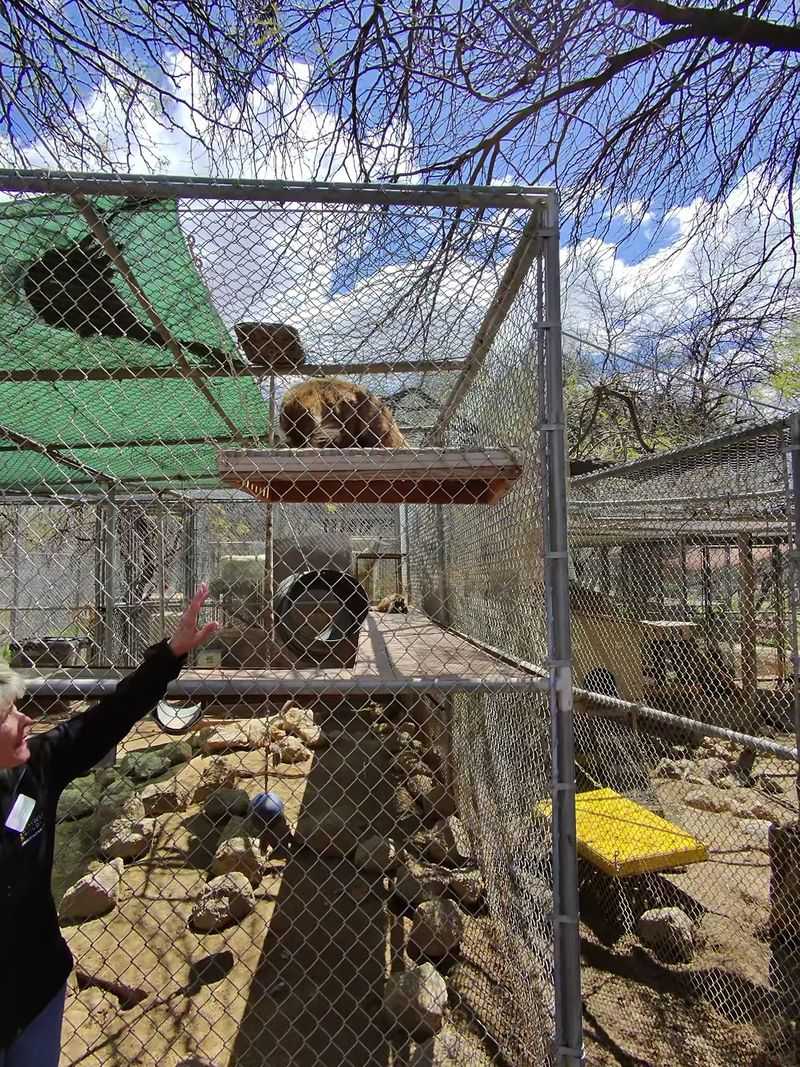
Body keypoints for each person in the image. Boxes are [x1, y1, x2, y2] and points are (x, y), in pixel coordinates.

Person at [0, 583, 219, 1067]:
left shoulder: (35, 767)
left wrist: (171, 654)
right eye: (9, 715)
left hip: (36, 988)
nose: (27, 720)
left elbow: (108, 718)